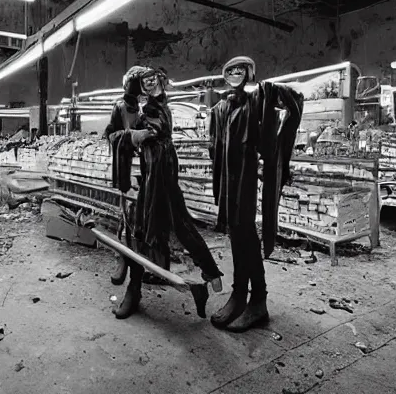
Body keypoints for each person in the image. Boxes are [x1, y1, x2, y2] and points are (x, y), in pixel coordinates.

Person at [109, 66, 223, 320]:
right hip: (151, 171)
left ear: (160, 81)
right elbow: (122, 132)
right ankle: (139, 286)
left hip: (161, 173)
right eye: (141, 82)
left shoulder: (156, 108)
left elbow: (152, 130)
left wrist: (133, 136)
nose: (146, 85)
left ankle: (208, 273)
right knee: (146, 227)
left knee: (168, 224)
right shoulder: (138, 107)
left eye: (150, 80)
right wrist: (128, 134)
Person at [209, 56, 303, 332]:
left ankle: (257, 299)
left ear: (248, 75)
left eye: (240, 72)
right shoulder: (224, 107)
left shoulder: (255, 102)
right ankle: (239, 295)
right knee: (236, 235)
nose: (235, 77)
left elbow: (294, 101)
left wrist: (272, 91)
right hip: (229, 182)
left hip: (246, 182)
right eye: (230, 73)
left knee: (246, 235)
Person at [104, 65, 149, 287]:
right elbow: (110, 133)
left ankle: (135, 260)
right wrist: (128, 136)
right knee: (126, 214)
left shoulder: (142, 110)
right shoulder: (119, 107)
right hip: (126, 168)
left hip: (141, 168)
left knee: (136, 217)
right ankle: (123, 258)